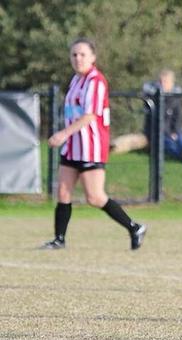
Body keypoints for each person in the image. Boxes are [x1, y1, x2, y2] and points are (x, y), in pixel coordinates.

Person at [42, 38, 146, 251]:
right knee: (63, 191)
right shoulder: (75, 80)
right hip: (72, 146)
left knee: (95, 197)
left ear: (93, 57)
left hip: (91, 147)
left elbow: (89, 116)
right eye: (74, 55)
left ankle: (134, 227)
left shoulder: (95, 81)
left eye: (82, 54)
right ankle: (59, 239)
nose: (78, 58)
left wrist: (62, 134)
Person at [144, 69, 182, 162]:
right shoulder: (153, 98)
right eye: (161, 81)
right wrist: (169, 133)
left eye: (165, 81)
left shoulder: (175, 98)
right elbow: (156, 120)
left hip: (173, 130)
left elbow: (177, 117)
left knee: (181, 142)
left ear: (172, 83)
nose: (162, 84)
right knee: (169, 144)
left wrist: (175, 132)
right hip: (158, 132)